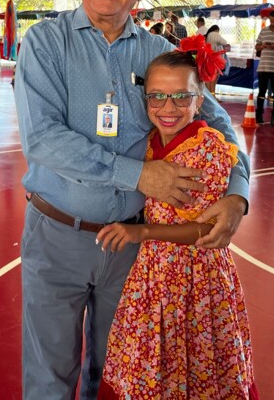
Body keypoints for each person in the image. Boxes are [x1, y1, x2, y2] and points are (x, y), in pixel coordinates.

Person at [13, 0, 249, 399]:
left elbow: (221, 124)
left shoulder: (160, 53)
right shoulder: (45, 43)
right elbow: (42, 139)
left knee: (122, 373)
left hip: (134, 248)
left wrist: (237, 193)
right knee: (49, 375)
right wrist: (140, 175)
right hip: (57, 235)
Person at [96, 48, 258, 399]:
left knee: (195, 357)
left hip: (195, 274)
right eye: (157, 97)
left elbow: (206, 229)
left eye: (181, 97)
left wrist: (142, 232)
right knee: (155, 356)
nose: (168, 108)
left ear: (200, 101)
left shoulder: (208, 149)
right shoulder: (153, 142)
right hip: (155, 273)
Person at [204, 24, 231, 95]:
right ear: (217, 30)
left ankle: (210, 95)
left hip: (209, 58)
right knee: (213, 78)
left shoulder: (209, 35)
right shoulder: (215, 34)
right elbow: (224, 42)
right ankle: (213, 96)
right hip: (215, 59)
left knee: (210, 79)